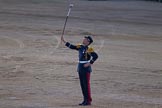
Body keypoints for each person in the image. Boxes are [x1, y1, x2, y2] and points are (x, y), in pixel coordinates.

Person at [61, 35, 98, 106]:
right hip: (80, 67)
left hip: (86, 69)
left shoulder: (89, 49)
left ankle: (88, 101)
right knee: (82, 85)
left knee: (86, 85)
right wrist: (64, 41)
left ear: (88, 41)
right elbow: (73, 47)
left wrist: (90, 63)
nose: (83, 39)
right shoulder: (80, 46)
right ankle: (85, 100)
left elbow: (96, 56)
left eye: (85, 39)